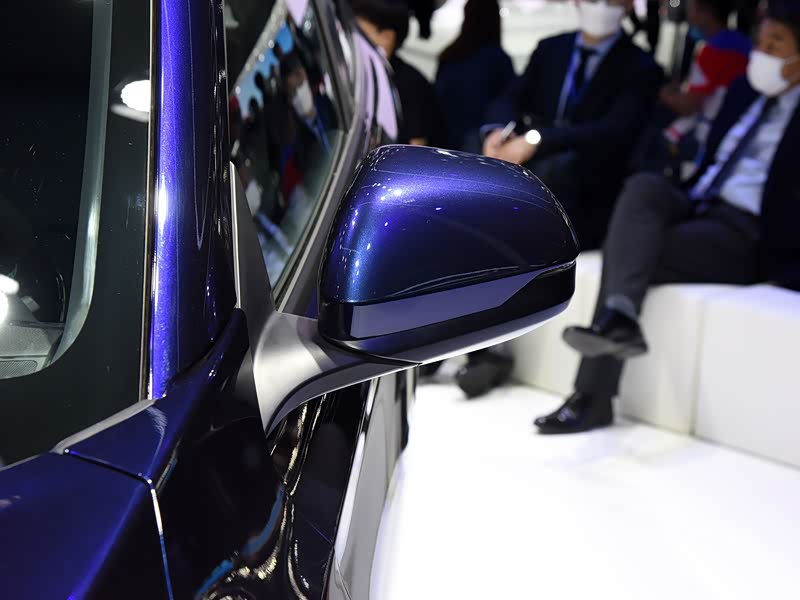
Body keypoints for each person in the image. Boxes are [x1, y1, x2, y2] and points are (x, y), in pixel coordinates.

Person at [534, 0, 800, 435]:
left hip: (748, 231)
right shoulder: (745, 91)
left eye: (777, 44)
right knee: (644, 187)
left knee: (629, 250)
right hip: (699, 201)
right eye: (761, 41)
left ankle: (594, 391)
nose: (763, 52)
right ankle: (620, 320)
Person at [483, 0, 663, 250]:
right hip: (534, 161)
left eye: (611, 1)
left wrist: (538, 140)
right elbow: (511, 96)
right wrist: (497, 130)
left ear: (629, 5)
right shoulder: (551, 48)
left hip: (589, 181)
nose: (600, 7)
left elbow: (614, 130)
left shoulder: (641, 67)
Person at [660, 0, 751, 153]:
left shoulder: (713, 52)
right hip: (735, 131)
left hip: (710, 136)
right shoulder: (744, 43)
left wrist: (663, 94)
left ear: (705, 13)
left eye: (691, 8)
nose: (689, 16)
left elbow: (688, 105)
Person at [352, 0, 446, 146]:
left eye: (360, 34)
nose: (353, 41)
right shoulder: (361, 72)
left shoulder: (410, 85)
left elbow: (415, 149)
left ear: (387, 37)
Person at [435, 0, 515, 153]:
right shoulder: (498, 59)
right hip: (480, 144)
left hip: (444, 141)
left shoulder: (449, 56)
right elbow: (510, 101)